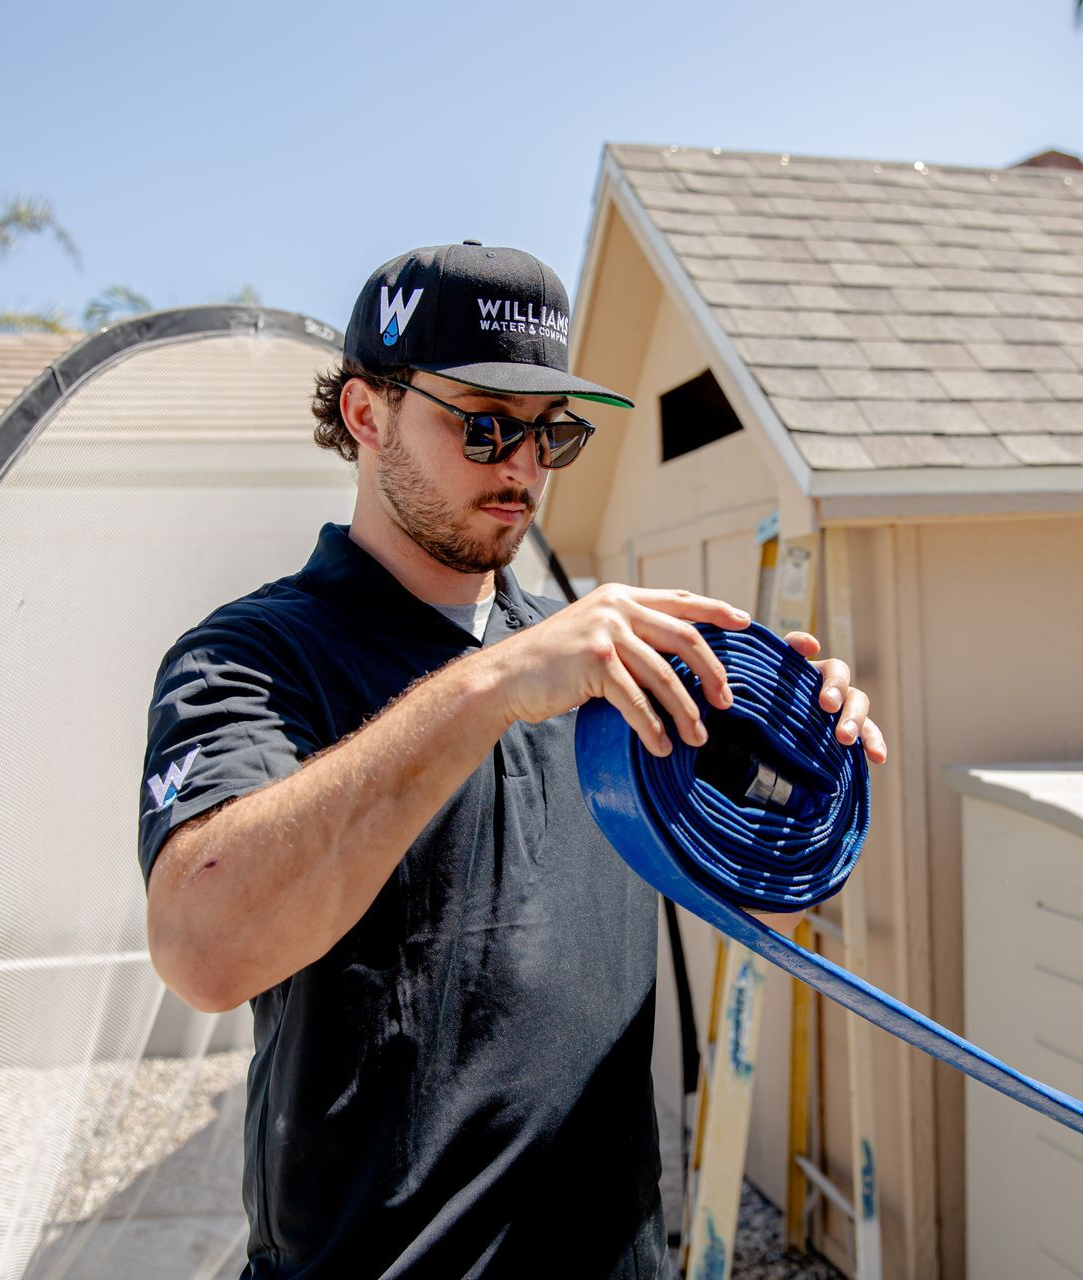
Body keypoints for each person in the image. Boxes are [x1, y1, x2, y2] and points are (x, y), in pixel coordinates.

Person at [136, 241, 887, 1278]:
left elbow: (760, 905)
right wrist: (490, 686)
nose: (524, 467)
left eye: (553, 434)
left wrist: (813, 754)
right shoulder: (253, 658)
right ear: (366, 414)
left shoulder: (603, 668)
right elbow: (200, 944)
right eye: (485, 424)